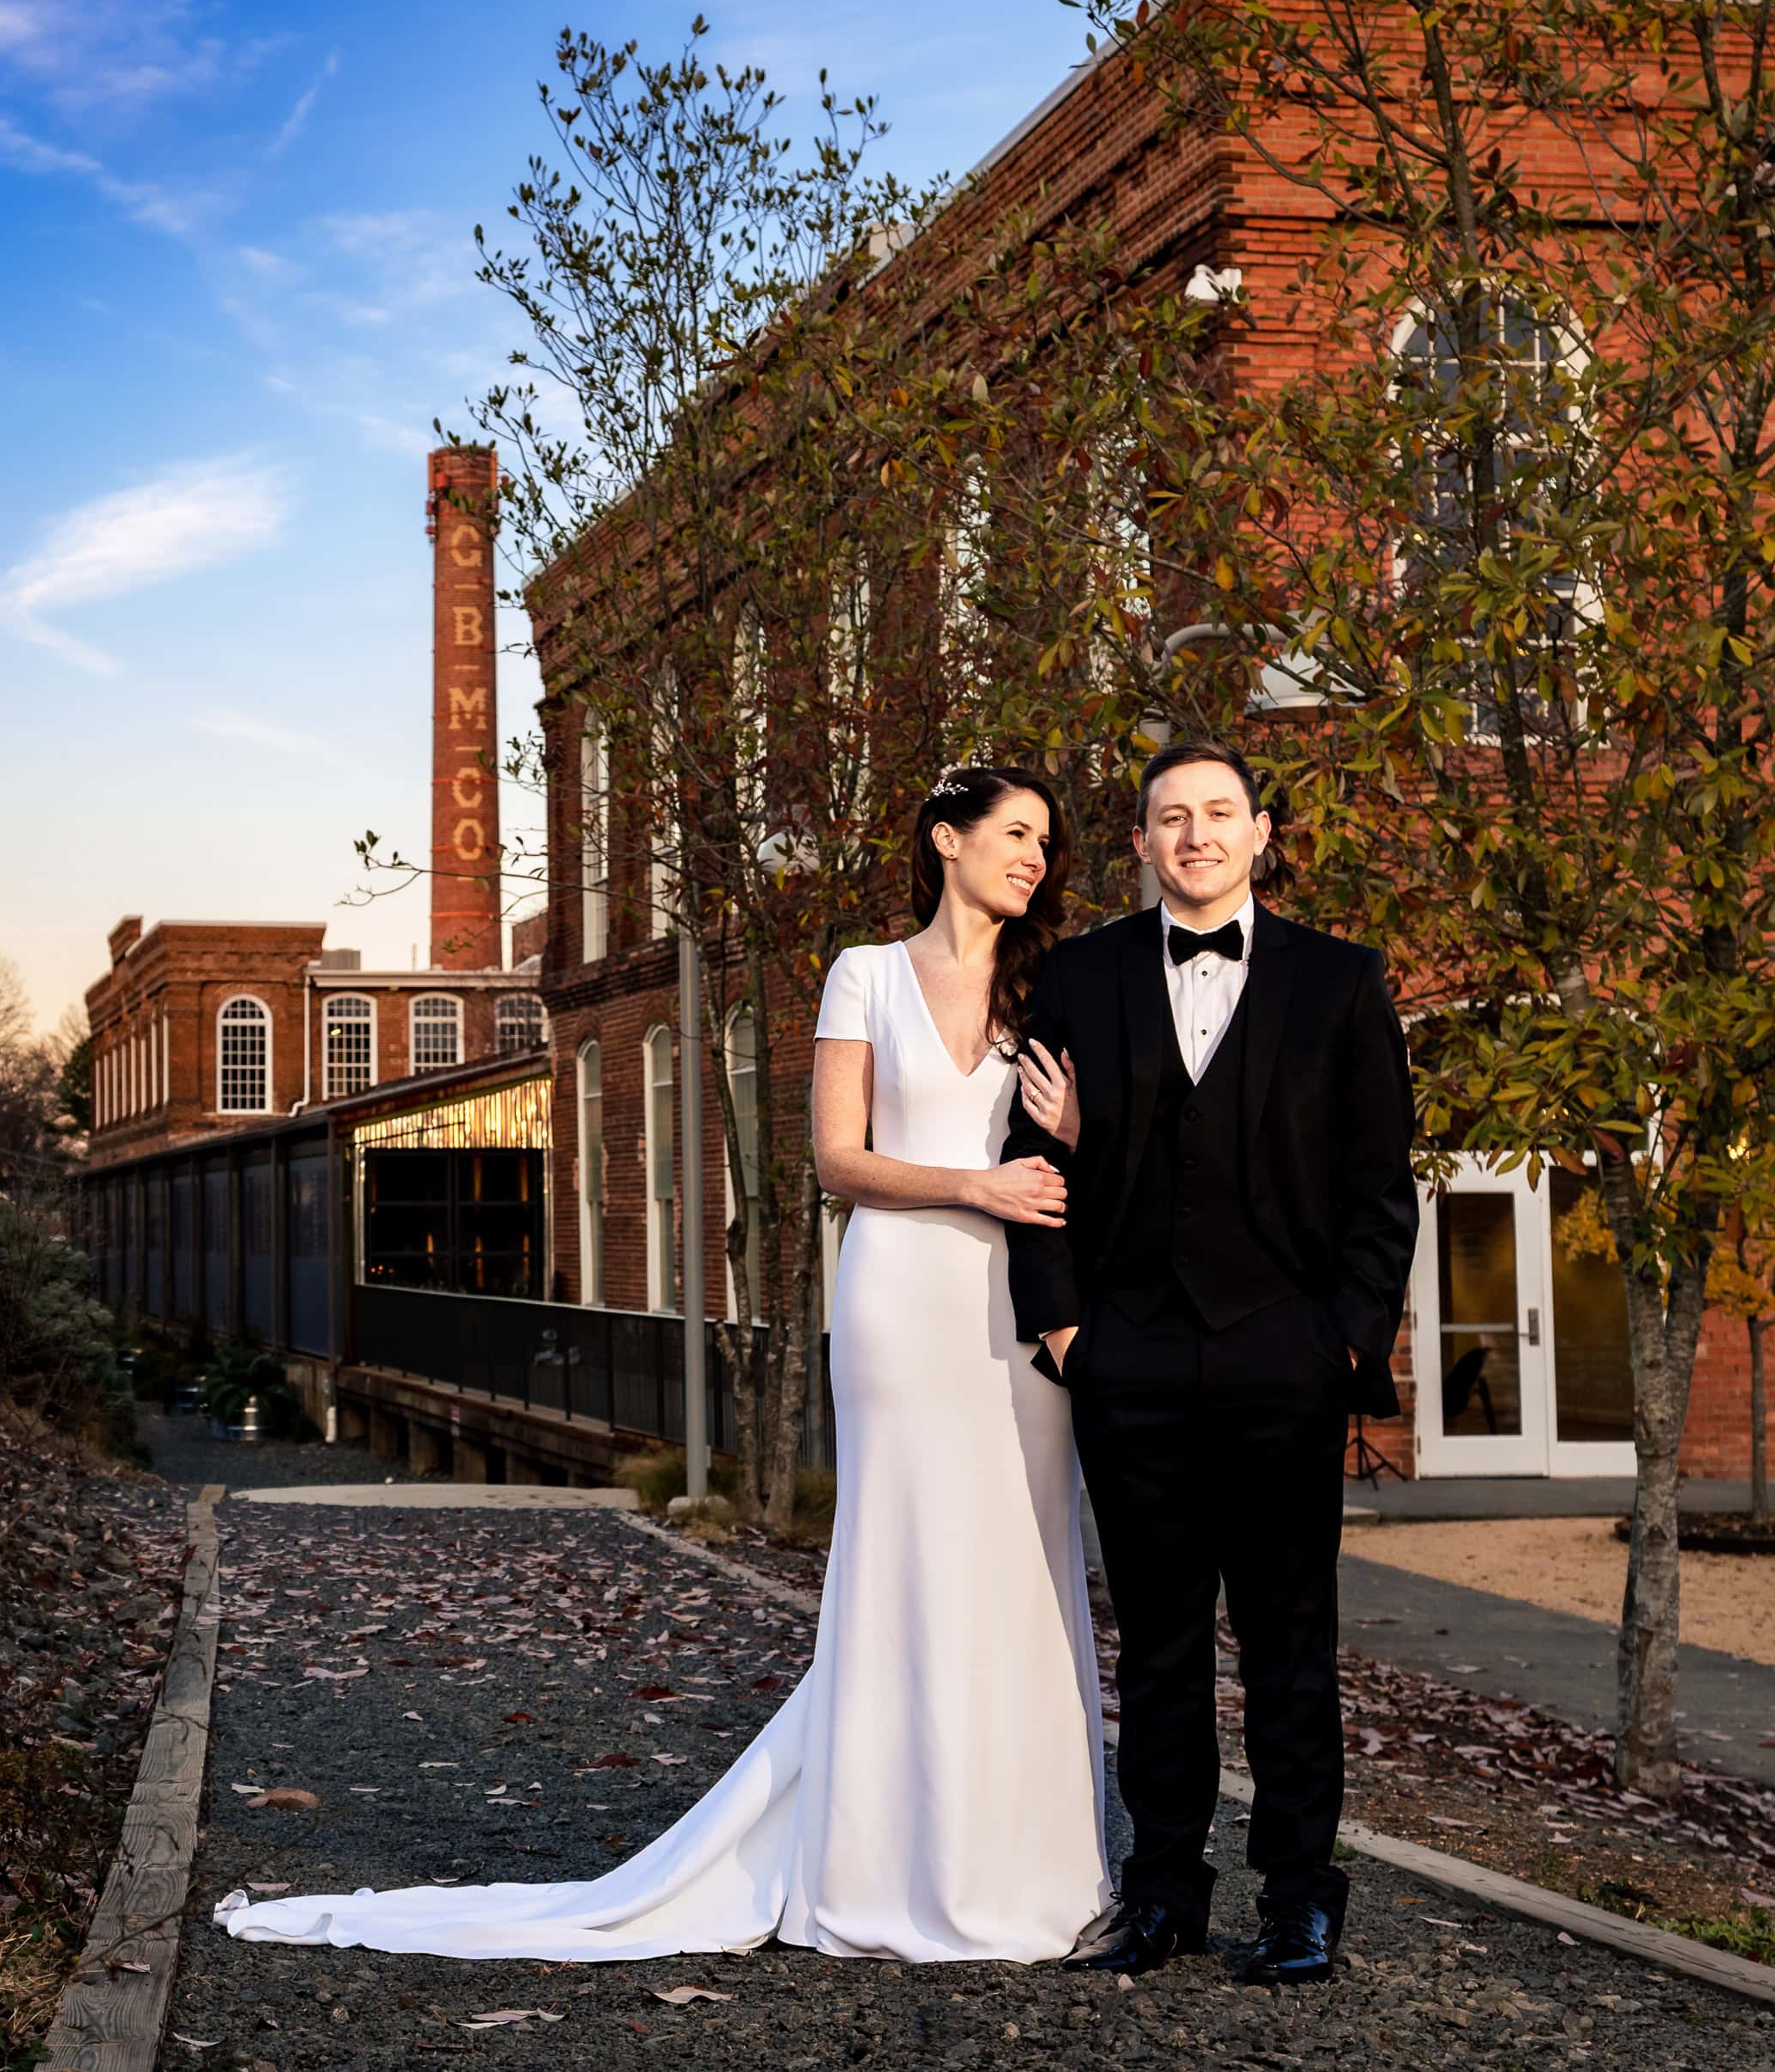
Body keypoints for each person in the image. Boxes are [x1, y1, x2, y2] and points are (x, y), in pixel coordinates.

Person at [214, 766, 1108, 1964]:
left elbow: (1098, 1156)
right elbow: (838, 1162)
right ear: (946, 838)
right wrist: (972, 1184)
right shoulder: (866, 974)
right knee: (903, 1565)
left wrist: (1068, 1143)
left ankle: (1027, 1867)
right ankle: (885, 1863)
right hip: (903, 1301)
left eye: (1046, 841)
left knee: (1020, 1561)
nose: (1035, 857)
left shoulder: (1054, 987)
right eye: (1014, 833)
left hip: (1014, 1311)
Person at [1006, 739, 1418, 1985]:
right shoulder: (1079, 978)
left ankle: (1300, 1898)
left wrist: (1341, 1341)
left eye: (1219, 813)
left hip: (1284, 1360)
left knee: (1292, 1643)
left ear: (1262, 833)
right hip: (1130, 1361)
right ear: (1138, 844)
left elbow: (1378, 1190)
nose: (1195, 835)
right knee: (1162, 1648)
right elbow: (1040, 1172)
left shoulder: (1344, 985)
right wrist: (1070, 1333)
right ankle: (1164, 1894)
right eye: (1170, 818)